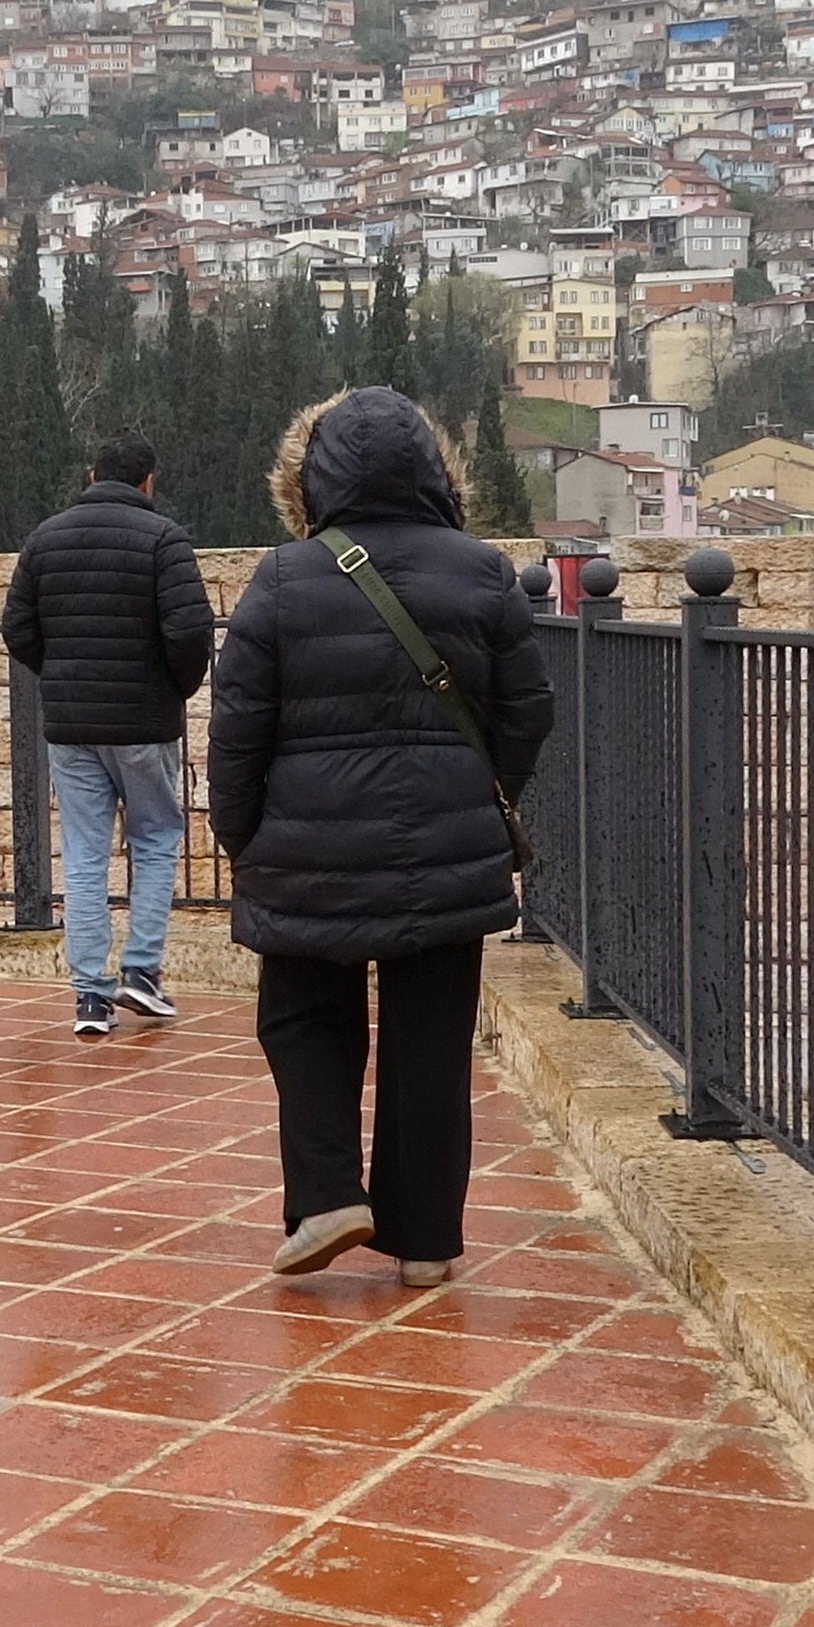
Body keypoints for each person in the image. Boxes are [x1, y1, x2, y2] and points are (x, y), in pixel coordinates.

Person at [209, 387, 551, 1289]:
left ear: (310, 479)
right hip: (446, 843)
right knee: (431, 1040)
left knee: (302, 1020)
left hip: (304, 846)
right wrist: (482, 799)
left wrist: (243, 835)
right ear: (437, 470)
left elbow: (238, 729)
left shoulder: (283, 578)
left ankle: (328, 1195)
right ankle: (426, 1240)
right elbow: (527, 709)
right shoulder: (484, 572)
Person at [3, 428, 214, 1038]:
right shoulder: (165, 540)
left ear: (92, 477)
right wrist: (174, 689)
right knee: (155, 838)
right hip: (144, 720)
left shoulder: (45, 538)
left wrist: (60, 675)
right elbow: (189, 634)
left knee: (84, 853)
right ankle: (141, 971)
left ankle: (90, 998)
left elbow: (18, 628)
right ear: (148, 482)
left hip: (71, 724)